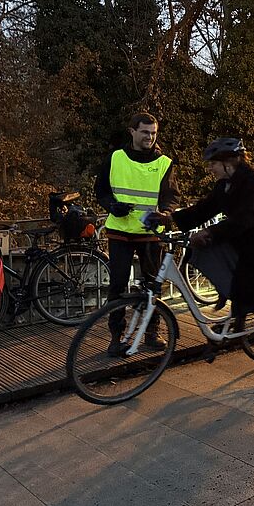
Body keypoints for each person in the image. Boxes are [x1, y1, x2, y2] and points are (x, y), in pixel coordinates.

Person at [152, 137, 254, 380]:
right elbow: (205, 208)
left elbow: (244, 220)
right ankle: (232, 314)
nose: (210, 169)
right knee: (204, 254)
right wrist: (170, 219)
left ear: (229, 162)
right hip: (237, 242)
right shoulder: (225, 184)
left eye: (213, 164)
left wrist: (209, 232)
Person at [95, 112, 180, 356]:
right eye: (145, 132)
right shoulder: (115, 158)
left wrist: (165, 212)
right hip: (120, 231)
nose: (150, 137)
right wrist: (111, 205)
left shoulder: (163, 162)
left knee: (153, 285)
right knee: (118, 286)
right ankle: (116, 337)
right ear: (132, 131)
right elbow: (100, 190)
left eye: (153, 133)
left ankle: (152, 332)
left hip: (151, 233)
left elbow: (171, 196)